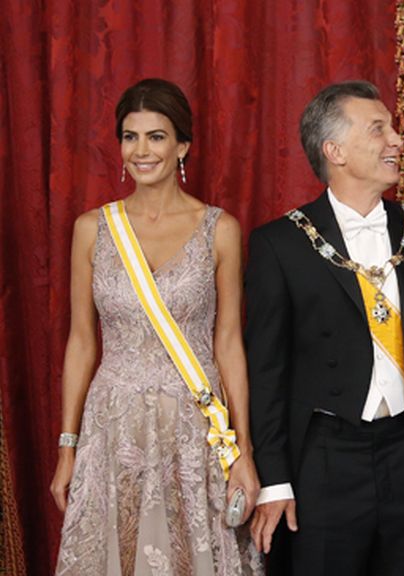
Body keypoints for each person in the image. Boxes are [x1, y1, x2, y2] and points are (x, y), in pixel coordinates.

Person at [245, 81, 404, 575]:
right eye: (378, 129)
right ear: (335, 150)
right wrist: (275, 480)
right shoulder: (279, 244)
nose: (397, 139)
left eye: (393, 127)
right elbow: (265, 372)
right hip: (324, 459)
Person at [49, 78, 263, 575]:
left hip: (196, 427)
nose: (141, 151)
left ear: (183, 145)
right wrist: (68, 447)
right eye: (130, 136)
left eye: (156, 136)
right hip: (113, 424)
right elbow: (81, 342)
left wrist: (243, 451)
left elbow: (228, 342)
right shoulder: (92, 229)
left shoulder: (220, 229)